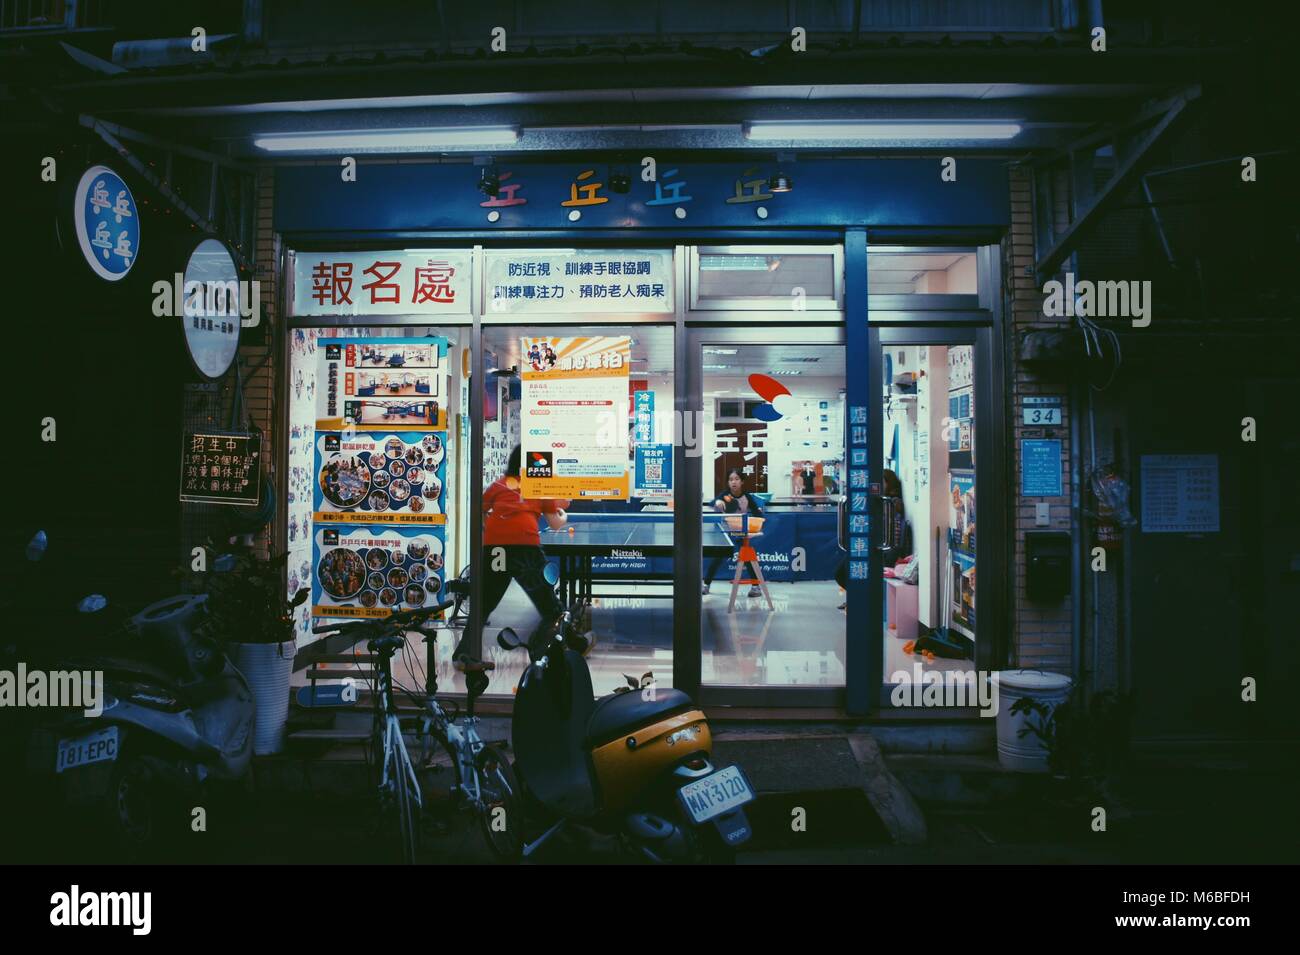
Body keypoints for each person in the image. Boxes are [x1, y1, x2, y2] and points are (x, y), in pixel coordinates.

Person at [455, 445, 570, 660]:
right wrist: (563, 514)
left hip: (496, 547)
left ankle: (464, 652)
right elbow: (555, 523)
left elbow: (481, 508)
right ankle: (547, 650)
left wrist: (489, 527)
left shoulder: (499, 484)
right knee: (550, 606)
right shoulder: (538, 486)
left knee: (484, 604)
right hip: (525, 548)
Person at [703, 468, 764, 598]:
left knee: (748, 559)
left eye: (736, 479)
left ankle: (755, 587)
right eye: (731, 480)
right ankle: (706, 585)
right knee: (717, 559)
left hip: (742, 532)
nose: (733, 482)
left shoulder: (747, 497)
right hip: (727, 533)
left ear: (742, 481)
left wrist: (758, 514)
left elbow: (757, 513)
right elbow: (713, 503)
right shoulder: (725, 495)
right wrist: (718, 502)